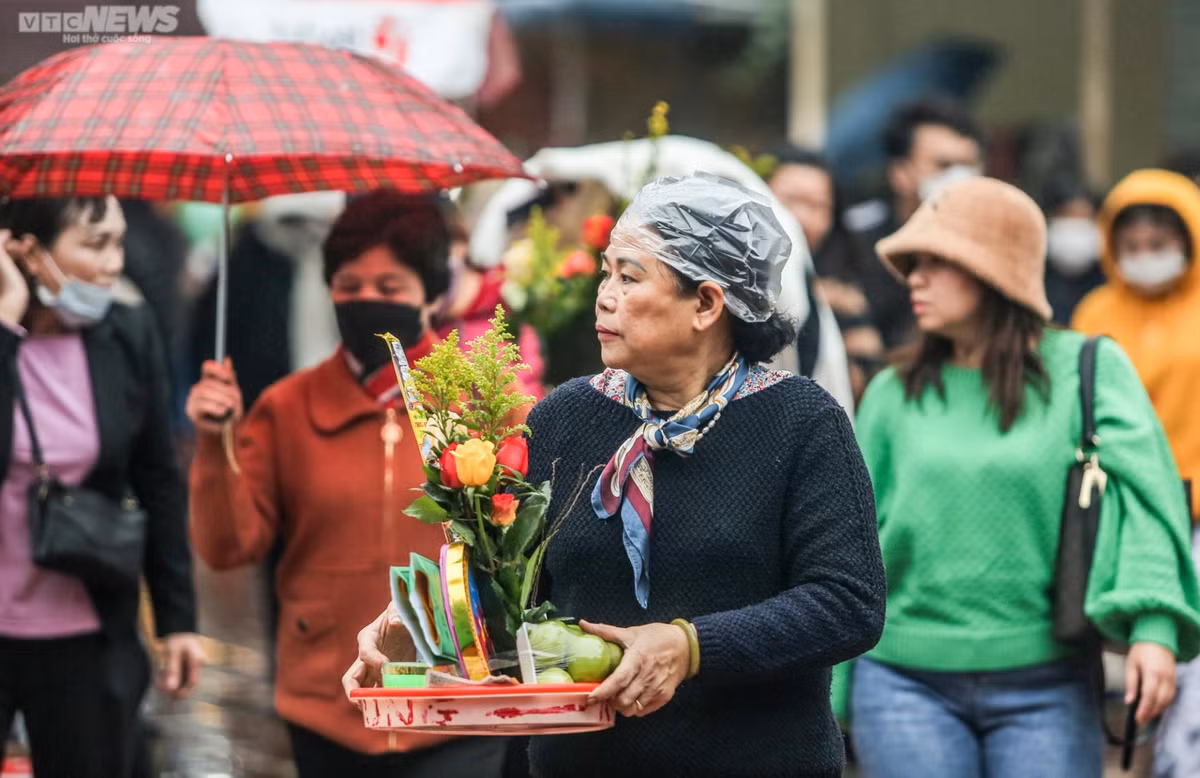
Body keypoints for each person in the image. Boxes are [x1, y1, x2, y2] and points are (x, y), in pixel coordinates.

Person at [346, 173, 887, 777]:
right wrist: (414, 629)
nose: (604, 296)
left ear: (706, 304)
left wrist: (689, 646)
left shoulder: (801, 422)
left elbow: (848, 603)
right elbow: (510, 591)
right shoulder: (565, 418)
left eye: (630, 278)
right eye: (605, 274)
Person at [846, 176, 1200, 777]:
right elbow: (847, 549)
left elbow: (1148, 498)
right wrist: (830, 688)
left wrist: (1154, 628)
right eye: (912, 264)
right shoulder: (890, 392)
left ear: (994, 267)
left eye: (936, 261)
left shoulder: (1088, 367)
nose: (915, 279)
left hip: (1049, 681)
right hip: (901, 682)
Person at [186, 190, 508, 777]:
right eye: (349, 285)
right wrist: (215, 443)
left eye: (389, 287)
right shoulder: (285, 409)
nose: (366, 301)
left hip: (457, 702)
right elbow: (228, 546)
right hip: (327, 704)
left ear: (432, 293)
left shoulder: (479, 404)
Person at [0, 196, 204, 778]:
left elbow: (157, 477)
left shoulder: (128, 331)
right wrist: (4, 325)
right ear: (27, 251)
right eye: (94, 244)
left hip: (88, 633)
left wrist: (177, 619)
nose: (114, 262)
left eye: (117, 241)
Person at [1068, 169, 1200, 776]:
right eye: (1132, 245)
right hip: (1115, 511)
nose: (1145, 257)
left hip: (1195, 516)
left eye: (1160, 244)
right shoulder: (1095, 309)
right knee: (1124, 670)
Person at [850, 97, 985, 349]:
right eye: (944, 165)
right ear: (900, 174)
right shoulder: (856, 248)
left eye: (969, 165)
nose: (959, 177)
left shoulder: (989, 250)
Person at [767, 144, 885, 402]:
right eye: (790, 200)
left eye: (818, 206)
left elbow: (862, 379)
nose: (802, 217)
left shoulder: (845, 295)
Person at [1040, 177, 1105, 324]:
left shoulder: (1109, 279)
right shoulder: (1033, 278)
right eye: (1068, 216)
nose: (1076, 227)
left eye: (1084, 218)